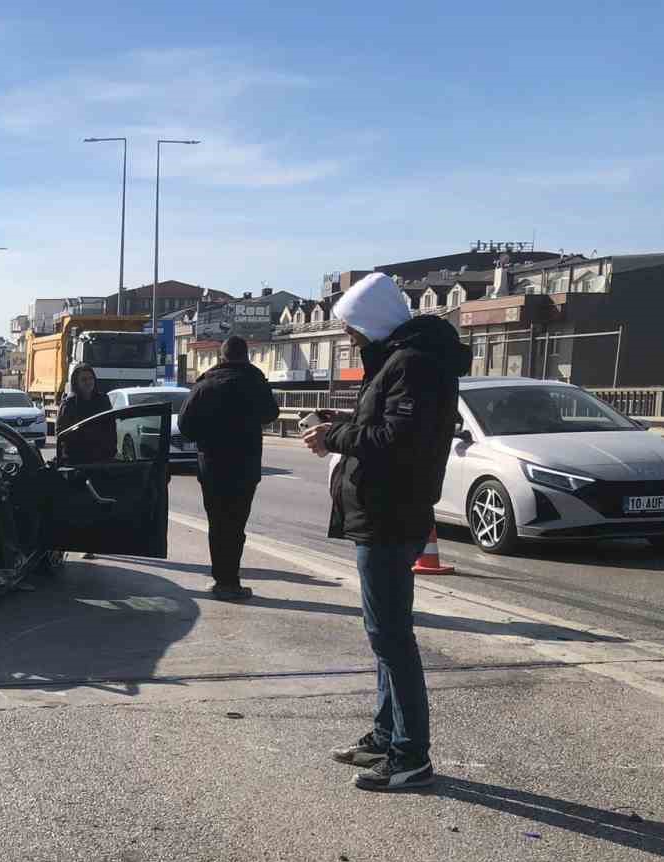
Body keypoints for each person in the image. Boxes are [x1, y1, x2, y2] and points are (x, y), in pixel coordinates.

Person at [301, 272, 468, 792]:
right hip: (386, 512)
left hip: (391, 515)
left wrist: (335, 436)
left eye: (352, 329)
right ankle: (385, 735)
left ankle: (410, 754)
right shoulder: (404, 359)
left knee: (391, 638)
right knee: (385, 637)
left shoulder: (413, 364)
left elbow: (397, 437)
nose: (350, 339)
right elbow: (388, 424)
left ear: (371, 322)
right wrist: (343, 421)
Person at [178, 335, 278, 601]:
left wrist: (206, 435)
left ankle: (221, 580)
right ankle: (230, 581)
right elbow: (272, 414)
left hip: (211, 465)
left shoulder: (204, 385)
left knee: (217, 523)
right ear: (246, 357)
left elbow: (185, 426)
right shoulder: (255, 382)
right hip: (245, 466)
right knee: (236, 523)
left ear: (221, 357)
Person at [55, 363, 116, 466]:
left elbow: (111, 428)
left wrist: (110, 451)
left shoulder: (103, 401)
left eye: (90, 378)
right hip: (76, 460)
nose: (88, 382)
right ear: (76, 382)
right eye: (83, 380)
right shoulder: (69, 404)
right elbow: (61, 432)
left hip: (102, 459)